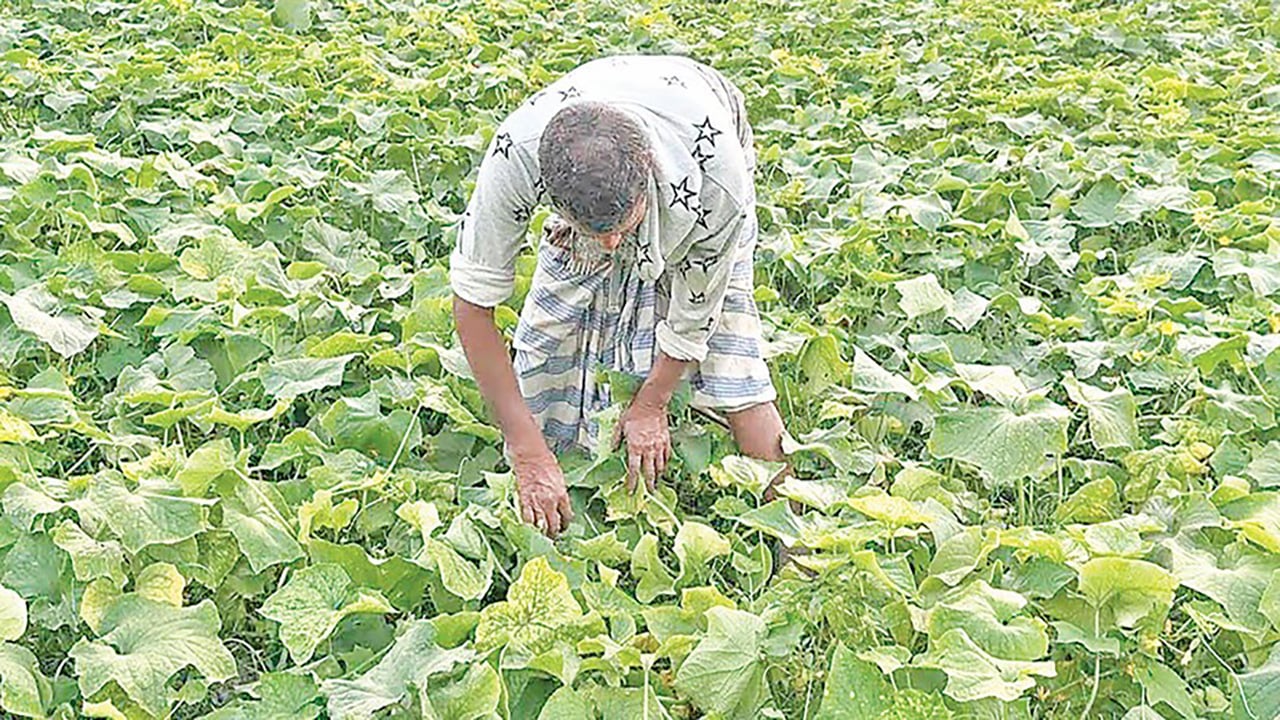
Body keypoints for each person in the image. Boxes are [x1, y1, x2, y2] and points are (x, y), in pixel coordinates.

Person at [450, 54, 786, 537]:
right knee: (554, 335)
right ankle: (561, 464)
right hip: (601, 139)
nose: (611, 245)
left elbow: (697, 314)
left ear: (646, 180)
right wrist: (526, 448)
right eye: (597, 232)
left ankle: (794, 536)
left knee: (732, 355)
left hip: (700, 131)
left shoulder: (718, 183)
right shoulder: (516, 155)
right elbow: (472, 306)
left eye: (622, 229)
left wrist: (654, 402)